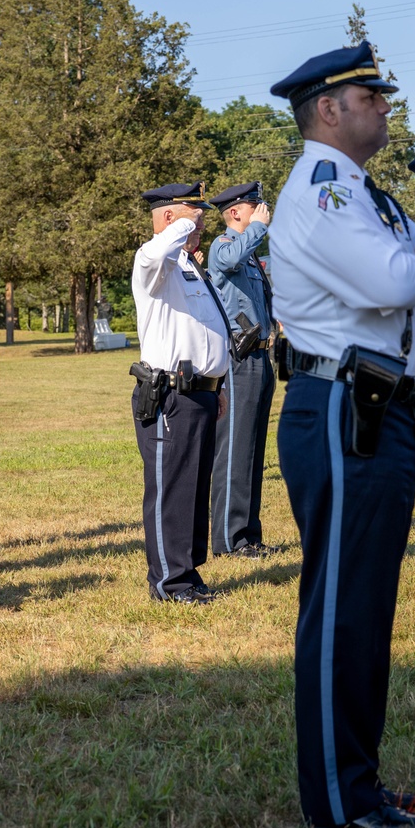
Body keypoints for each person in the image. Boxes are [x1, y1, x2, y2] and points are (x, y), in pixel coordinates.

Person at [268, 41, 415, 828]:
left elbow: (406, 267)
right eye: (370, 95)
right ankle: (338, 803)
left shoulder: (365, 193)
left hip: (373, 408)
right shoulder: (322, 188)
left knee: (366, 607)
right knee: (342, 608)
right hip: (344, 409)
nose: (384, 104)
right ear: (328, 109)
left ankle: (358, 784)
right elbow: (392, 281)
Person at [131, 183, 231, 604]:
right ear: (170, 217)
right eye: (194, 213)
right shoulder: (152, 262)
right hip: (170, 391)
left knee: (193, 484)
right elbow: (157, 251)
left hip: (203, 392)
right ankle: (168, 582)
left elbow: (206, 327)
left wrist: (218, 383)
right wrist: (181, 226)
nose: (202, 221)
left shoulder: (188, 265)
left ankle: (188, 572)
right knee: (171, 487)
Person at [207, 182, 277, 560]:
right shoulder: (223, 247)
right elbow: (231, 259)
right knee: (234, 447)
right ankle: (228, 540)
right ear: (236, 212)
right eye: (255, 207)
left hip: (261, 357)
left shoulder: (250, 256)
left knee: (252, 448)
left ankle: (248, 534)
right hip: (239, 358)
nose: (262, 212)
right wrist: (259, 228)